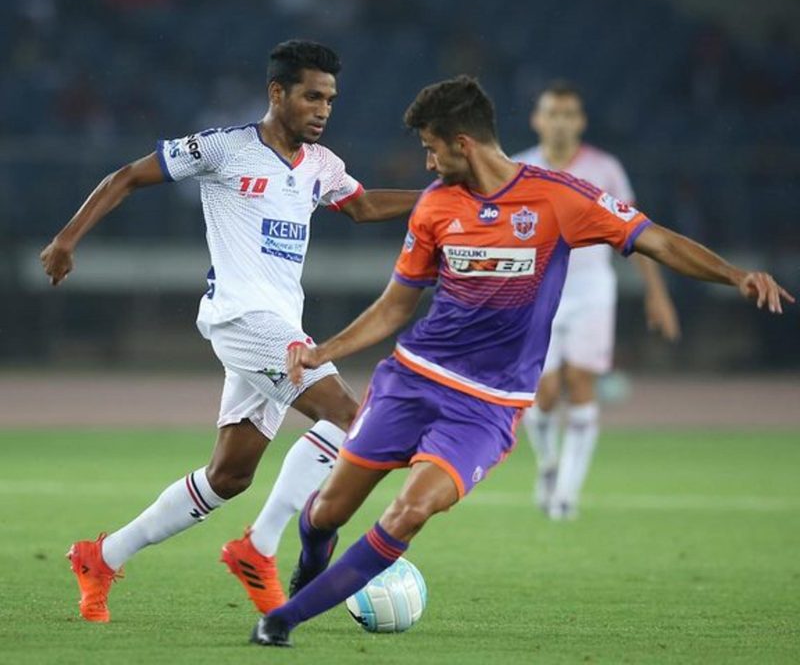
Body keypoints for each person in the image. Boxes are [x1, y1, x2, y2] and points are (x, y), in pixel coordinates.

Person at [250, 75, 793, 647]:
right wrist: (325, 351)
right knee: (327, 513)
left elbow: (654, 239)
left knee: (411, 510)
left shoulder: (560, 198)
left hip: (488, 406)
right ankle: (309, 567)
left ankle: (282, 620)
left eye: (432, 149)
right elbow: (395, 306)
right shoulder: (435, 206)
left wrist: (734, 275)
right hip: (411, 381)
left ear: (463, 143)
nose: (428, 164)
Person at [39, 40, 419, 623]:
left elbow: (364, 207)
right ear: (277, 93)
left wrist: (443, 197)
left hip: (281, 326)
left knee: (230, 476)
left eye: (330, 100)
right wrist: (67, 238)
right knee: (354, 417)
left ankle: (101, 556)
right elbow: (127, 177)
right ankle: (260, 546)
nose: (323, 109)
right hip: (242, 319)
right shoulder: (224, 148)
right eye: (311, 96)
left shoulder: (320, 165)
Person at [514, 81, 680, 519]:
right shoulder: (518, 168)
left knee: (581, 382)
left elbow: (638, 233)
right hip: (537, 293)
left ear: (581, 121)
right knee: (545, 392)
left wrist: (657, 292)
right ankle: (548, 465)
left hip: (591, 290)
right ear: (538, 120)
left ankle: (566, 494)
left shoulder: (605, 168)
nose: (560, 122)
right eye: (553, 113)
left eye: (568, 114)